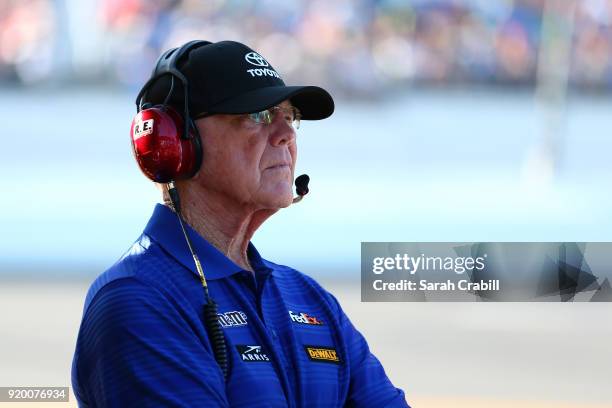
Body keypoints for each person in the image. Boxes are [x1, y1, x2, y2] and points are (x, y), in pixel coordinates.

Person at [71, 40, 409, 407]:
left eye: (290, 115)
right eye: (258, 115)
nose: (287, 134)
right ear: (177, 143)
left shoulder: (309, 297)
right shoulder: (137, 299)